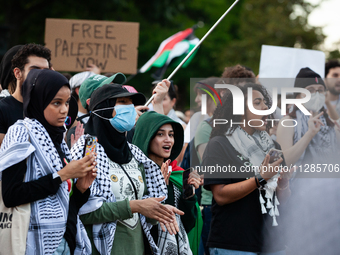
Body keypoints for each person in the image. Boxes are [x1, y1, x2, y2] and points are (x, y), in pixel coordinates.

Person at [71, 83, 183, 255]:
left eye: (131, 103)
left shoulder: (135, 153)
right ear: (104, 109)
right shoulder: (87, 150)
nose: (129, 108)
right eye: (122, 102)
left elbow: (145, 212)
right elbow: (83, 211)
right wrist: (135, 206)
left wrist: (157, 210)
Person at [0, 69, 97, 254]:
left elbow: (63, 201)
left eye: (67, 102)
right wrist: (63, 175)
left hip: (65, 240)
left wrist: (80, 189)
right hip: (30, 242)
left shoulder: (58, 137)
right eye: (56, 103)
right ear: (38, 101)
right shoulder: (21, 133)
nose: (64, 110)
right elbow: (11, 195)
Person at [203, 83, 291, 255]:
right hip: (234, 244)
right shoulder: (219, 144)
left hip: (272, 243)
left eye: (265, 103)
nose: (265, 107)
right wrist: (260, 178)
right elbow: (220, 195)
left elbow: (284, 199)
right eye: (257, 103)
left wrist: (283, 184)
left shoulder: (273, 146)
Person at [133, 111, 203, 255]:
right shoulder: (134, 175)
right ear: (147, 136)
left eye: (171, 135)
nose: (168, 140)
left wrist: (188, 194)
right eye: (160, 134)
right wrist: (158, 192)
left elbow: (187, 225)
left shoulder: (176, 176)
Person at [276, 67, 339, 167]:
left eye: (320, 90)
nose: (316, 94)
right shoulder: (288, 123)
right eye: (310, 90)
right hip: (297, 181)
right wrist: (310, 134)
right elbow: (284, 162)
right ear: (298, 96)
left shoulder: (331, 124)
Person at [0, 43, 51, 145]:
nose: (41, 75)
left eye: (45, 71)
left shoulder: (49, 110)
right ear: (18, 73)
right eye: (34, 70)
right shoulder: (2, 109)